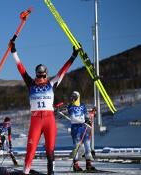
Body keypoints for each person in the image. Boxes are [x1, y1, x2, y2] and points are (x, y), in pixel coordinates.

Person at [9, 40, 79, 175]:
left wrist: (73, 56)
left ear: (47, 74)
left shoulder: (52, 83)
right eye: (39, 75)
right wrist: (14, 52)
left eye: (43, 75)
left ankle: (50, 173)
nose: (41, 78)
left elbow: (63, 71)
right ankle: (26, 172)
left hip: (49, 120)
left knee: (50, 151)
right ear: (36, 74)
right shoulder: (31, 84)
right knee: (30, 150)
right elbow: (21, 68)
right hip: (36, 120)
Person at [67, 91, 96, 172]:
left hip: (83, 127)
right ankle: (75, 166)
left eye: (74, 96)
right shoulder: (70, 106)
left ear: (78, 97)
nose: (72, 98)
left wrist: (88, 119)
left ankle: (88, 164)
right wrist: (84, 120)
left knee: (87, 146)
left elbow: (86, 114)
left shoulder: (82, 105)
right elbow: (73, 118)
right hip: (76, 128)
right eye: (72, 96)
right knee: (76, 147)